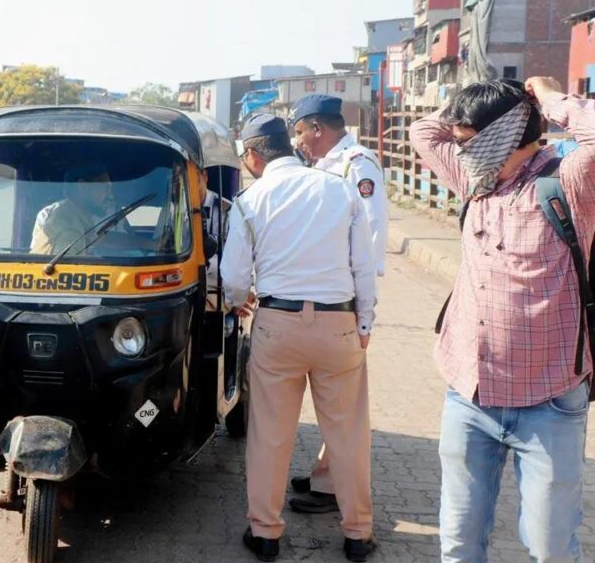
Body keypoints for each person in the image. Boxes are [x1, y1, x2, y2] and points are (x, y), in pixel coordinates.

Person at [410, 77, 594, 562]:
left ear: (503, 137)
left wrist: (550, 98)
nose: (460, 150)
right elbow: (424, 133)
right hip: (470, 396)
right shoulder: (476, 177)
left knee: (550, 550)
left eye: (470, 141)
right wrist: (481, 98)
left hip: (550, 403)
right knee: (458, 545)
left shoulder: (568, 183)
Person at [222, 114, 377, 562]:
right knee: (347, 434)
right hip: (338, 323)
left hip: (277, 322)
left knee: (270, 433)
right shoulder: (338, 188)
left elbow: (233, 276)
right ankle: (356, 534)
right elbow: (362, 265)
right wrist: (364, 323)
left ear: (253, 155)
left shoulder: (250, 200)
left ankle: (266, 534)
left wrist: (239, 299)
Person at [286, 95, 389, 515]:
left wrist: (357, 304)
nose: (299, 142)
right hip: (328, 294)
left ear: (315, 127)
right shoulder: (327, 164)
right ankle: (324, 472)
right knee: (334, 396)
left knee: (342, 402)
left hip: (343, 297)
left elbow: (370, 230)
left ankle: (332, 488)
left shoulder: (356, 164)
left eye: (299, 132)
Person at [30, 164, 114, 255]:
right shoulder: (66, 221)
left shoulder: (75, 217)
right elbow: (65, 266)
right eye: (106, 187)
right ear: (83, 187)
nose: (110, 195)